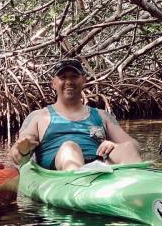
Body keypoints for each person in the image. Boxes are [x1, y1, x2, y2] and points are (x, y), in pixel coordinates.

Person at [9, 58, 141, 170]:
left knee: (127, 148)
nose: (69, 81)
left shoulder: (101, 115)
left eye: (74, 76)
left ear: (83, 80)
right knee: (70, 147)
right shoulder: (38, 117)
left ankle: (143, 191)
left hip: (99, 165)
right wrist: (22, 150)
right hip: (62, 170)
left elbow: (134, 145)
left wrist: (115, 145)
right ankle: (81, 188)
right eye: (63, 77)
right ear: (53, 83)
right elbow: (18, 158)